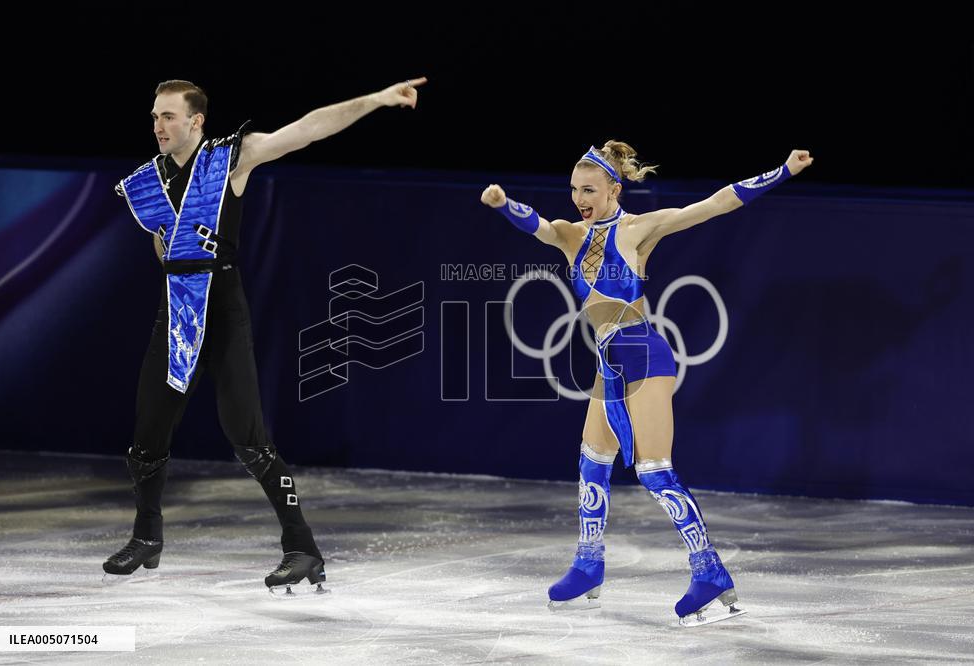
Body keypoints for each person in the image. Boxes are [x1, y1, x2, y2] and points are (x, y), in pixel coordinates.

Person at [106, 76, 427, 594]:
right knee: (147, 435)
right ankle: (147, 537)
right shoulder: (147, 181)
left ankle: (302, 547)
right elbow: (164, 249)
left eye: (168, 116)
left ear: (196, 121)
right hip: (177, 312)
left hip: (224, 308)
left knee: (248, 439)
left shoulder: (230, 159)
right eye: (154, 116)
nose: (158, 125)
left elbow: (307, 129)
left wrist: (375, 99)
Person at [481, 142, 813, 624]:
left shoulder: (639, 229)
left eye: (589, 189)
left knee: (655, 470)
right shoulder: (572, 235)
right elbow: (539, 225)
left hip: (645, 357)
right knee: (592, 462)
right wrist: (502, 204)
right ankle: (588, 564)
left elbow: (716, 203)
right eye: (574, 190)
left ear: (614, 188)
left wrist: (782, 171)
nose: (579, 198)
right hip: (607, 365)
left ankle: (710, 571)